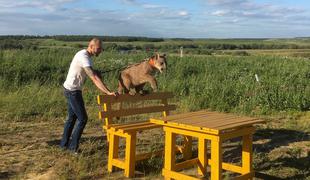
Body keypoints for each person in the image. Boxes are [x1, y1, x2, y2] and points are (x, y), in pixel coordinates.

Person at [60, 38, 117, 153]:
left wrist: (95, 71)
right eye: (98, 48)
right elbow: (94, 78)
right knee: (83, 119)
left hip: (70, 89)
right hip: (72, 91)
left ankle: (63, 145)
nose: (100, 51)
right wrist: (108, 92)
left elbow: (90, 71)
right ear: (91, 46)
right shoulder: (84, 56)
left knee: (72, 118)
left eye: (101, 48)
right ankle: (72, 148)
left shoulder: (86, 56)